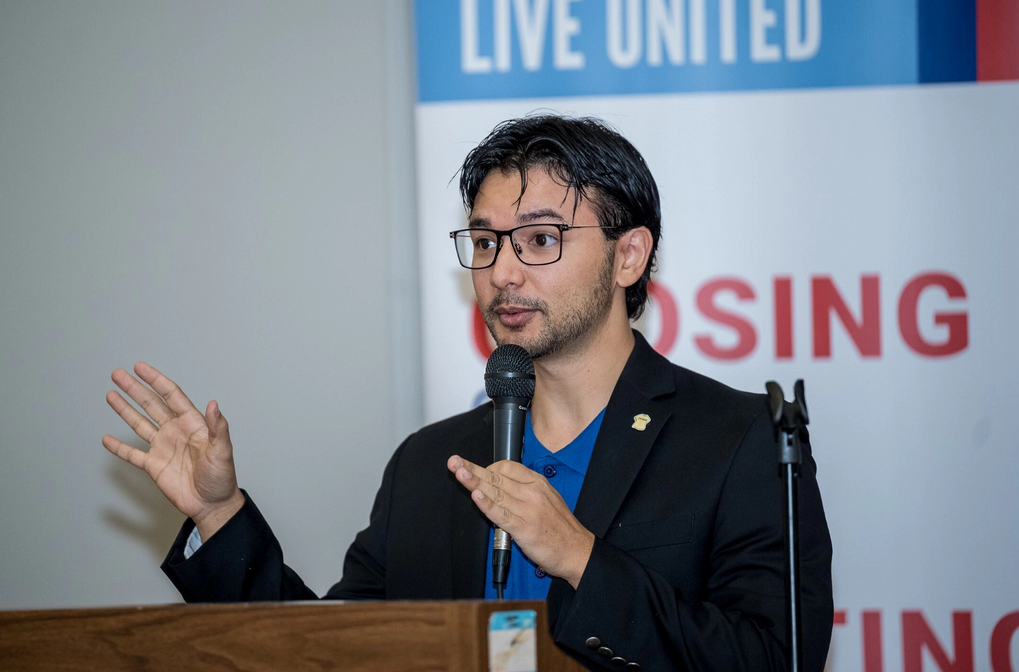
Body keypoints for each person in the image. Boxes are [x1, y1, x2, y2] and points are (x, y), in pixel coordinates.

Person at [103, 115, 833, 671]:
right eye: (486, 242)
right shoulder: (430, 464)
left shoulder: (738, 440)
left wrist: (579, 556)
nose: (503, 273)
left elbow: (773, 657)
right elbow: (328, 650)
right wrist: (220, 513)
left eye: (540, 240)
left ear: (628, 256)